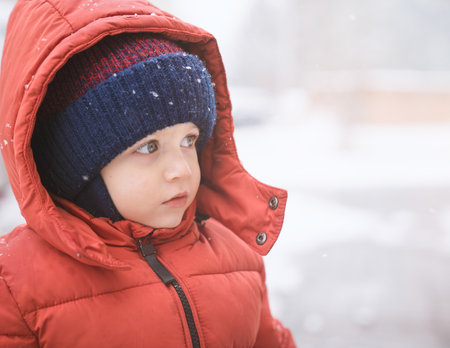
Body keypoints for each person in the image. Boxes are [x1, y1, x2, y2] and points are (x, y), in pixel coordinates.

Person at [0, 0, 296, 347]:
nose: (181, 170)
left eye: (189, 140)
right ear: (78, 169)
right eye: (148, 148)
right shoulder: (16, 287)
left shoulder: (238, 258)